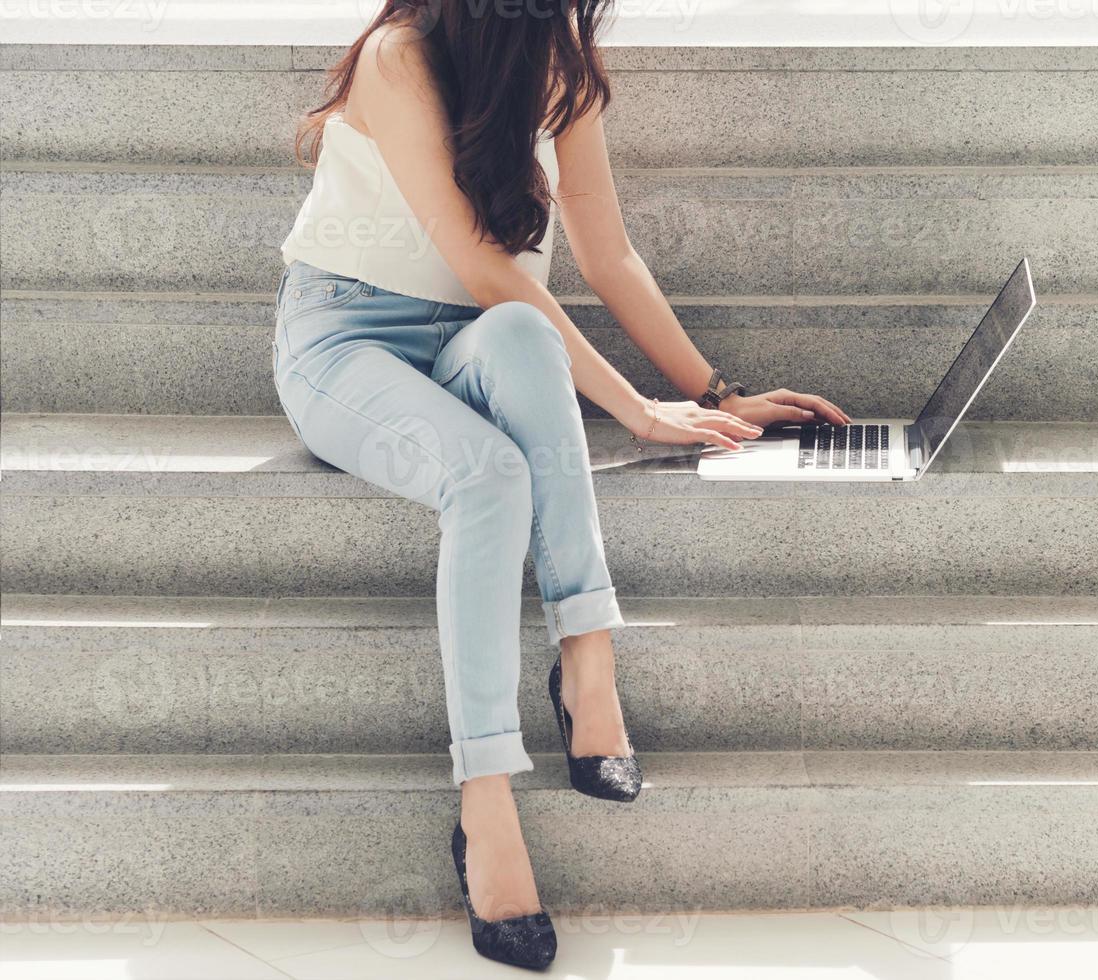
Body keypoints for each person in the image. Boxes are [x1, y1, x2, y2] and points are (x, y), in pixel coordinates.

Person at [272, 0, 848, 969]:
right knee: (487, 472)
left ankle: (587, 661)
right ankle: (485, 798)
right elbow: (476, 258)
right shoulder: (399, 56)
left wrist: (713, 394)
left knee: (527, 339)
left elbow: (607, 253)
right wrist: (634, 409)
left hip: (469, 340)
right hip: (345, 341)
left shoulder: (558, 66)